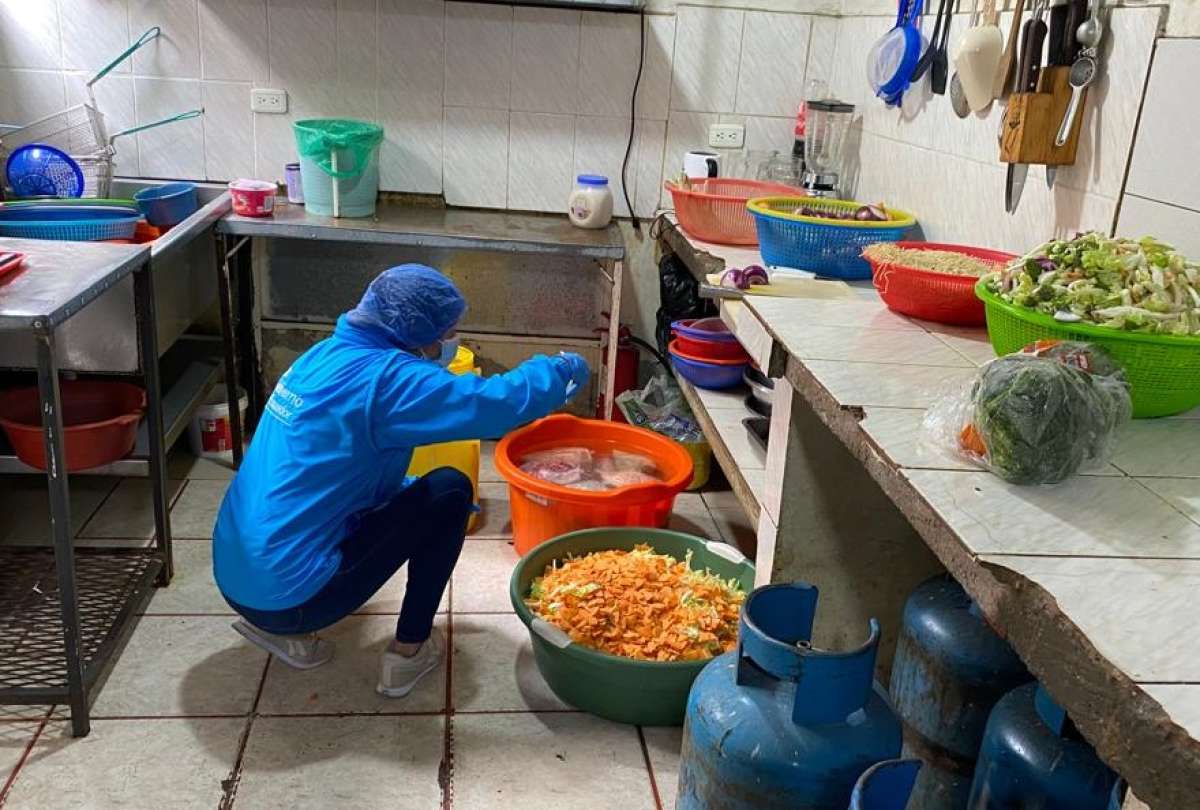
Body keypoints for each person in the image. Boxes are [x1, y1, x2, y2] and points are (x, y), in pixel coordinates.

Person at [212, 264, 589, 697]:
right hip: (291, 599)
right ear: (415, 332)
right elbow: (496, 404)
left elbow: (335, 464)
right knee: (449, 491)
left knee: (412, 494)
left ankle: (277, 628)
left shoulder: (321, 357)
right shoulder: (389, 380)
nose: (451, 342)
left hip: (234, 579)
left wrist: (403, 497)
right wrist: (560, 369)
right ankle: (409, 652)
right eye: (448, 332)